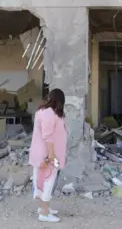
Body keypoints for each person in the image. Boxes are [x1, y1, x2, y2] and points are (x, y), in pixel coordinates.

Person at [29, 88, 68, 223]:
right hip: (48, 155)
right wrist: (51, 155)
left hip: (47, 154)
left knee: (44, 180)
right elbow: (48, 135)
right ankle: (44, 214)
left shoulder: (45, 111)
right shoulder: (49, 113)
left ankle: (44, 208)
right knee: (48, 182)